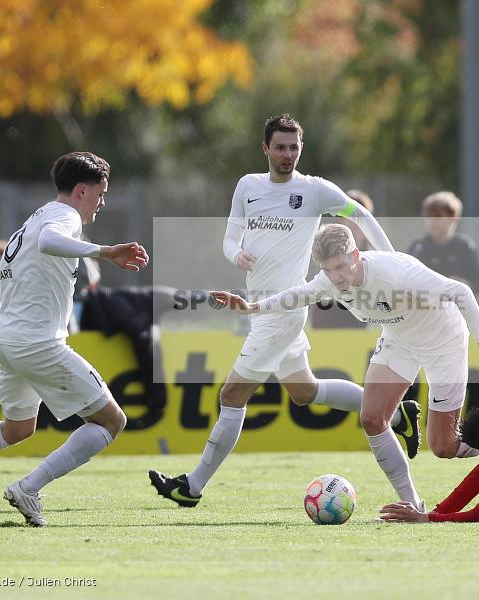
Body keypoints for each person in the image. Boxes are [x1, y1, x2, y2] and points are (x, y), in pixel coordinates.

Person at [148, 114, 418, 508]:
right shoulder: (248, 185)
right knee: (305, 392)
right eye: (280, 147)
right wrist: (236, 253)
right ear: (266, 149)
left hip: (285, 311)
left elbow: (360, 213)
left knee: (232, 393)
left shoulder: (314, 190)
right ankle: (399, 417)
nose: (287, 154)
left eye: (294, 147)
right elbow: (229, 237)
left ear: (300, 149)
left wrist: (390, 261)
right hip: (262, 308)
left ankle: (192, 486)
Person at [0, 152, 149, 527]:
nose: (103, 201)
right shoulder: (62, 218)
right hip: (38, 343)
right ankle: (28, 488)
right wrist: (105, 251)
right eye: (101, 193)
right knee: (111, 421)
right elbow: (51, 242)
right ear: (82, 190)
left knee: (18, 428)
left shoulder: (36, 216)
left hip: (10, 338)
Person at [210, 224, 479, 510]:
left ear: (355, 256)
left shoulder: (394, 272)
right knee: (372, 418)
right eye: (327, 269)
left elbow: (462, 293)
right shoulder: (329, 280)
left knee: (443, 446)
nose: (334, 277)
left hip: (444, 343)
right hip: (399, 340)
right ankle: (413, 504)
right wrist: (252, 307)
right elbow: (297, 295)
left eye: (339, 267)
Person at [311, 188, 375, 329]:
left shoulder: (375, 260)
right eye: (346, 219)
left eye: (357, 220)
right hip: (331, 321)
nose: (351, 225)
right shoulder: (329, 253)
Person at [406, 191, 479, 291]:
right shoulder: (418, 246)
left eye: (438, 216)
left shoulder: (465, 246)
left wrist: (465, 284)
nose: (431, 221)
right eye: (428, 216)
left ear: (453, 218)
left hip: (457, 304)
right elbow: (407, 277)